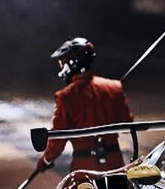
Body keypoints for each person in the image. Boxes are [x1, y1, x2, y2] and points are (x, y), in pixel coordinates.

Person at [36, 37, 133, 173]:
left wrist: (46, 160)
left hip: (85, 168)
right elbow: (127, 125)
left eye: (62, 62)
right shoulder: (114, 87)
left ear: (70, 64)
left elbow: (57, 141)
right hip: (115, 164)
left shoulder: (65, 96)